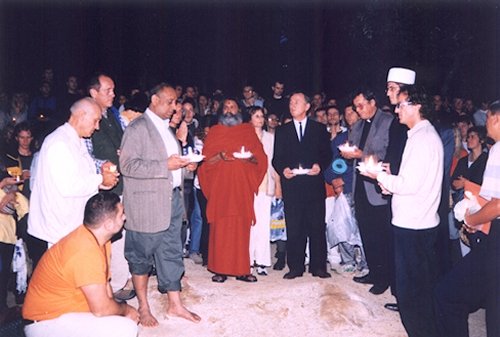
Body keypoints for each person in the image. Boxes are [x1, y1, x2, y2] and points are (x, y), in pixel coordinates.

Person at [362, 89, 443, 337]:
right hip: (418, 221)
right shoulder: (421, 135)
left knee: (412, 294)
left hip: (414, 226)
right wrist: (388, 181)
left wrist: (378, 175)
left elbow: (408, 185)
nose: (396, 109)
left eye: (401, 105)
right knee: (419, 291)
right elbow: (413, 181)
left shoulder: (422, 139)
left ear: (416, 106)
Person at [120, 83, 200, 327]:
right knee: (141, 256)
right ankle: (144, 307)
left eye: (176, 102)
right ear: (154, 100)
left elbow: (171, 167)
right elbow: (128, 166)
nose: (175, 107)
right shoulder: (138, 128)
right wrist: (165, 166)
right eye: (171, 101)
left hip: (172, 200)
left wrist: (186, 167)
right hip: (146, 205)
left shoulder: (167, 130)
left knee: (171, 252)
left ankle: (175, 305)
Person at [22, 192, 139, 337]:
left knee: (115, 316)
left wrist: (115, 310)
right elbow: (101, 309)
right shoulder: (85, 251)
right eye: (121, 214)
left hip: (65, 312)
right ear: (109, 225)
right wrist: (125, 309)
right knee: (125, 328)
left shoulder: (97, 238)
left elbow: (105, 286)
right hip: (45, 322)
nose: (125, 217)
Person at [27, 98, 118, 267]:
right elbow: (68, 185)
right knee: (64, 277)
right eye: (95, 121)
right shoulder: (59, 142)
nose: (97, 127)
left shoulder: (78, 140)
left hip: (73, 223)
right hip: (60, 227)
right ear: (81, 115)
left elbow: (83, 175)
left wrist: (102, 176)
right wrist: (100, 180)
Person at [435, 100, 500, 337]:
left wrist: (472, 221)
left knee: (447, 295)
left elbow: (497, 204)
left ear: (495, 118)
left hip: (495, 244)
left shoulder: (497, 150)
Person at [198, 98, 267, 283]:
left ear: (239, 111)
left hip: (241, 188)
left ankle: (242, 270)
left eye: (233, 106)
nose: (229, 109)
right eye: (226, 106)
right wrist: (219, 156)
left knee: (241, 227)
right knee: (220, 228)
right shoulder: (214, 132)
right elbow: (205, 163)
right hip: (220, 188)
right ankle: (219, 269)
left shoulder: (247, 131)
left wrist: (248, 159)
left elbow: (260, 159)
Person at [272, 92, 332, 279]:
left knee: (316, 227)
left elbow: (327, 154)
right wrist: (284, 170)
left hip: (313, 185)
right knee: (294, 226)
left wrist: (319, 165)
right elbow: (277, 159)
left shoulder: (319, 129)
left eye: (297, 102)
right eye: (290, 102)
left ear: (307, 106)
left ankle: (319, 267)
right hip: (292, 186)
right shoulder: (282, 131)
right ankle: (295, 267)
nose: (292, 105)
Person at [340, 89, 393, 294]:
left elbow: (387, 152)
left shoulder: (388, 121)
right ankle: (373, 271)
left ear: (373, 102)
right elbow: (352, 150)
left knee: (381, 234)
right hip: (359, 186)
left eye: (361, 105)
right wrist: (348, 152)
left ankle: (384, 277)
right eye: (356, 107)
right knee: (367, 233)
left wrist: (363, 155)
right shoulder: (358, 125)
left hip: (378, 187)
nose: (358, 110)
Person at [248, 106, 280, 276]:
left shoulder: (270, 138)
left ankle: (261, 261)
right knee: (249, 225)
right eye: (256, 116)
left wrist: (277, 187)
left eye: (262, 116)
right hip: (248, 186)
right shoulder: (245, 137)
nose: (260, 119)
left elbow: (274, 164)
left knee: (263, 225)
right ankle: (248, 260)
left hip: (265, 185)